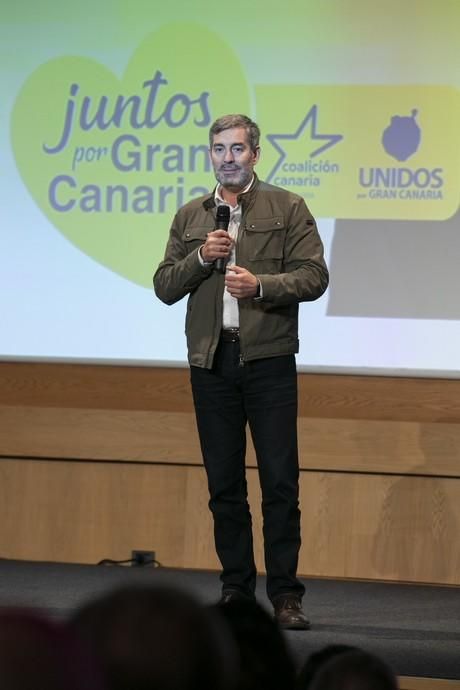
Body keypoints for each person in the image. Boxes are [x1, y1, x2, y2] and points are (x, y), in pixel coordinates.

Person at [154, 114, 329, 630]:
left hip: (269, 360)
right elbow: (164, 285)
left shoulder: (288, 207)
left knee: (279, 483)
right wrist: (200, 259)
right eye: (218, 149)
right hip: (211, 364)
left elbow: (315, 275)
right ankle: (235, 590)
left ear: (255, 153)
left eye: (236, 149)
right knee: (223, 485)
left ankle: (286, 597)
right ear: (210, 155)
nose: (227, 157)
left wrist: (262, 287)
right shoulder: (191, 216)